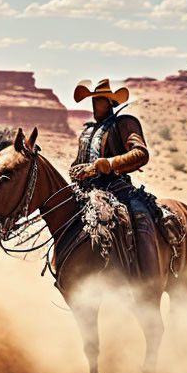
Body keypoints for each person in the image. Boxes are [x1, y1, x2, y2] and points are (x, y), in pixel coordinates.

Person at [68, 79, 160, 262]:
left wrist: (107, 164)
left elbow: (140, 153)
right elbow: (81, 160)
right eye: (93, 101)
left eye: (99, 100)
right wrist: (77, 170)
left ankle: (149, 275)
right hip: (85, 190)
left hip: (117, 189)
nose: (94, 105)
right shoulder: (88, 131)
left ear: (109, 103)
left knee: (140, 217)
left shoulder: (125, 123)